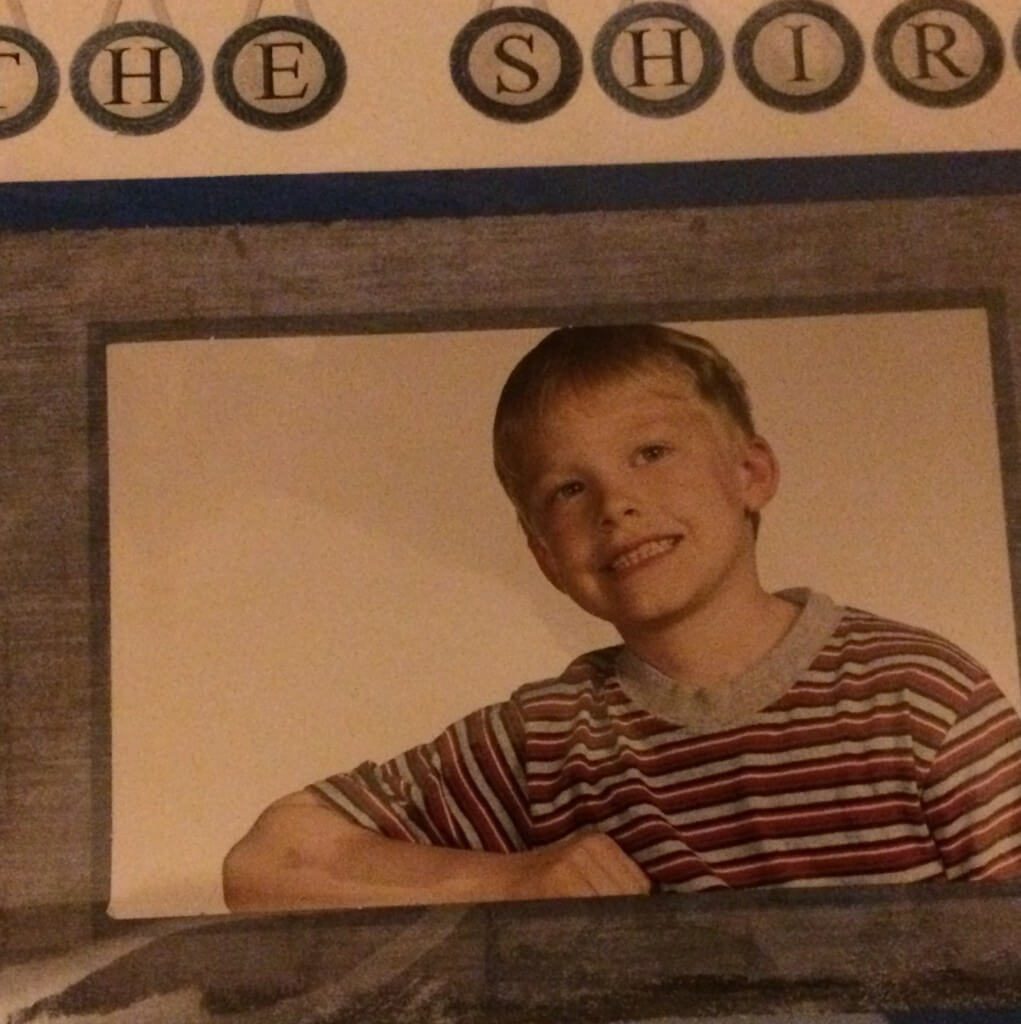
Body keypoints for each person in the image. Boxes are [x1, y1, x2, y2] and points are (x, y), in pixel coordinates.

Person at [222, 324, 1021, 911]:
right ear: (542, 554)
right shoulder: (544, 743)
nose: (617, 506)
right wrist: (517, 880)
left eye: (650, 454)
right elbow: (266, 863)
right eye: (568, 490)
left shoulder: (918, 695)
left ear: (750, 472)